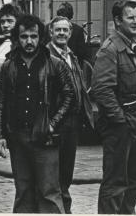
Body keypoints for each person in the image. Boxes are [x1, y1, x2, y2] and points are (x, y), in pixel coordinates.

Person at [0, 14, 75, 213]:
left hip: (45, 137)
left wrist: (53, 123)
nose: (29, 41)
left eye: (33, 36)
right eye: (23, 37)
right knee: (23, 193)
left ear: (41, 37)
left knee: (49, 193)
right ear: (17, 38)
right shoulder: (8, 66)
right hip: (18, 137)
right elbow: (0, 102)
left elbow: (70, 96)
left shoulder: (55, 64)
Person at [91, 0, 136, 214]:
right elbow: (102, 90)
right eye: (130, 18)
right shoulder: (110, 49)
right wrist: (121, 121)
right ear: (118, 21)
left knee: (135, 178)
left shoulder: (133, 46)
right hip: (121, 128)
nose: (135, 21)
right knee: (116, 182)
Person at [48, 16, 96, 213]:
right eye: (57, 30)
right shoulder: (46, 56)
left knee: (66, 170)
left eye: (65, 30)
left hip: (72, 122)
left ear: (70, 33)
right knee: (53, 171)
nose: (61, 34)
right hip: (55, 122)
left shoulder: (72, 56)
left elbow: (81, 87)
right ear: (51, 32)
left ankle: (64, 208)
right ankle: (58, 209)